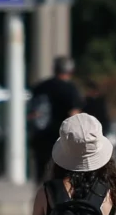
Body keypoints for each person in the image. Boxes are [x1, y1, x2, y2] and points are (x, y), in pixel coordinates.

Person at [28, 56, 86, 184]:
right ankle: (59, 199)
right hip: (61, 139)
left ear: (54, 69)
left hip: (40, 137)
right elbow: (74, 114)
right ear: (71, 71)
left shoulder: (40, 87)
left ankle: (41, 199)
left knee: (41, 173)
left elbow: (32, 112)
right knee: (63, 174)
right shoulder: (70, 89)